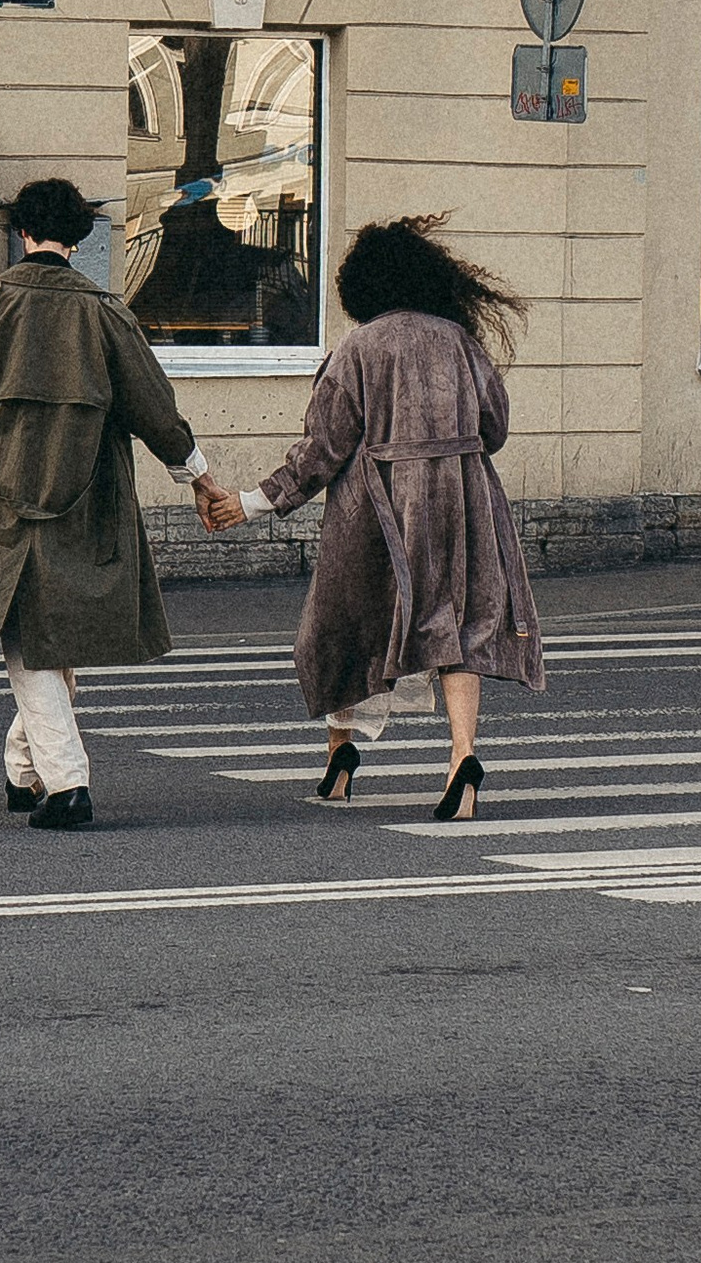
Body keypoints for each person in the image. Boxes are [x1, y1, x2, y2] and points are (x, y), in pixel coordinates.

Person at [0, 176, 238, 831]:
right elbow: (157, 411)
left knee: (26, 636)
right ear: (79, 237)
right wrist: (198, 478)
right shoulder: (105, 312)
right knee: (48, 630)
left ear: (20, 233)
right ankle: (24, 771)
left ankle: (68, 786)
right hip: (84, 500)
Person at [221, 215, 543, 819]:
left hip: (379, 511)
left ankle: (340, 761)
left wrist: (253, 501)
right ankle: (462, 758)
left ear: (360, 286)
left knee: (351, 622)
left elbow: (322, 450)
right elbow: (494, 429)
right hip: (463, 504)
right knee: (459, 629)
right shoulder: (461, 343)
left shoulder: (357, 350)